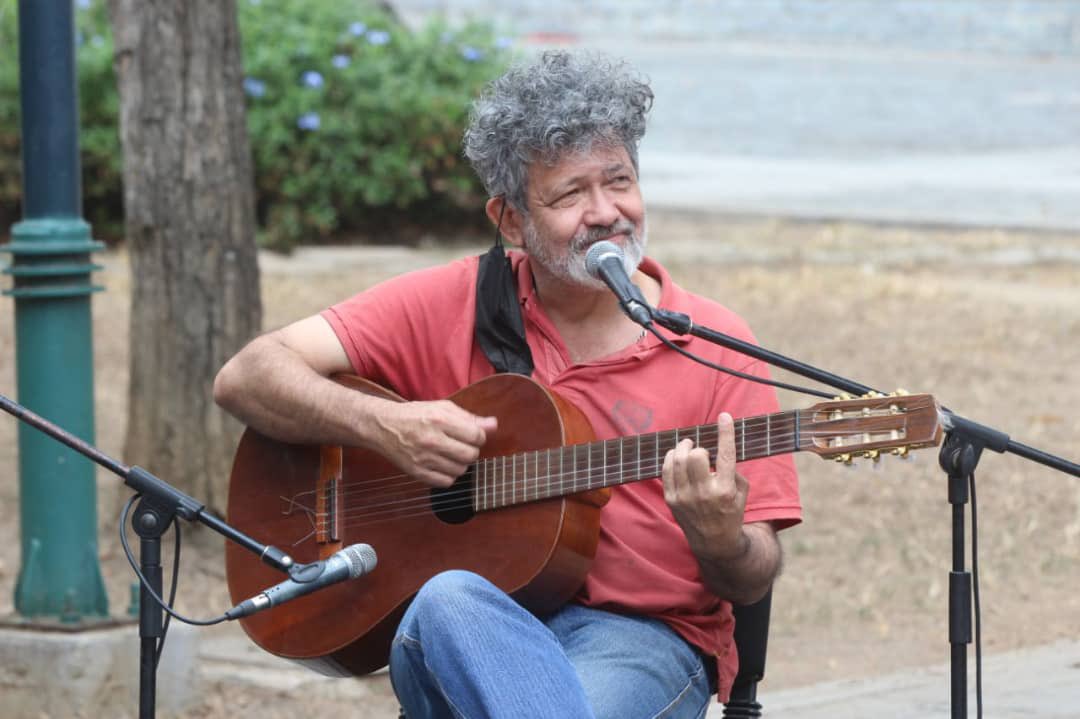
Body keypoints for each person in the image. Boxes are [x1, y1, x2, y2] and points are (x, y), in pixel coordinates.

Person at [214, 50, 800, 719]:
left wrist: (720, 537)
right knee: (447, 595)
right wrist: (383, 426)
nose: (607, 212)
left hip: (638, 640)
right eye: (571, 194)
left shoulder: (715, 346)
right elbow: (248, 375)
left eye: (620, 181)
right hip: (467, 629)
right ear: (513, 219)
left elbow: (750, 575)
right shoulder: (453, 301)